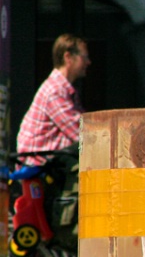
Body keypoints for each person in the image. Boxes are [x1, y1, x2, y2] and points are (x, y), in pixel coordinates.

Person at [16, 33, 90, 166]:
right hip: (39, 166)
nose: (88, 62)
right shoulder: (55, 91)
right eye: (84, 57)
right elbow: (81, 133)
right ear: (68, 57)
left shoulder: (66, 89)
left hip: (51, 164)